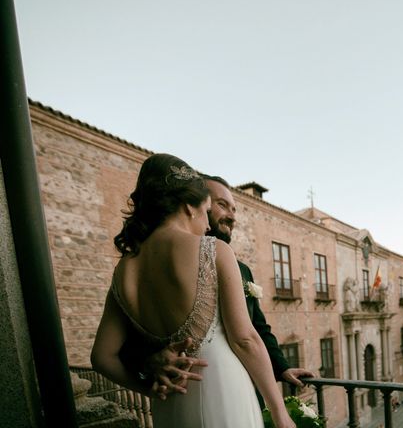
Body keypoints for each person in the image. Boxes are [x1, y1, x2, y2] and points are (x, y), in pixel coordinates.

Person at [91, 154, 294, 428]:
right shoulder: (214, 250)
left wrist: (149, 388)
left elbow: (102, 357)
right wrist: (280, 414)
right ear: (189, 206)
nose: (208, 225)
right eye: (206, 209)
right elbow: (245, 339)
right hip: (222, 394)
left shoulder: (125, 269)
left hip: (170, 402)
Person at [123, 175, 314, 399]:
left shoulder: (242, 269)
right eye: (222, 205)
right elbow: (133, 337)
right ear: (195, 205)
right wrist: (149, 361)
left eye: (234, 209)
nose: (232, 216)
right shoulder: (156, 268)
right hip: (184, 391)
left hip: (245, 392)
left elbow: (258, 328)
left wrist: (281, 367)